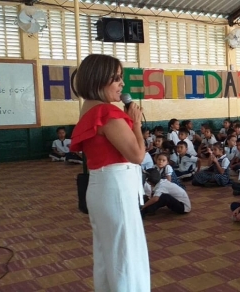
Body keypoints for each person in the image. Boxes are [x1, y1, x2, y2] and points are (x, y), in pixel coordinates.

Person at [69, 54, 149, 291]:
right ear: (98, 80)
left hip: (102, 186)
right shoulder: (107, 113)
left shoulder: (89, 109)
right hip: (116, 189)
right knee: (126, 255)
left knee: (108, 255)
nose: (122, 84)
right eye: (116, 78)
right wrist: (136, 124)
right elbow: (137, 155)